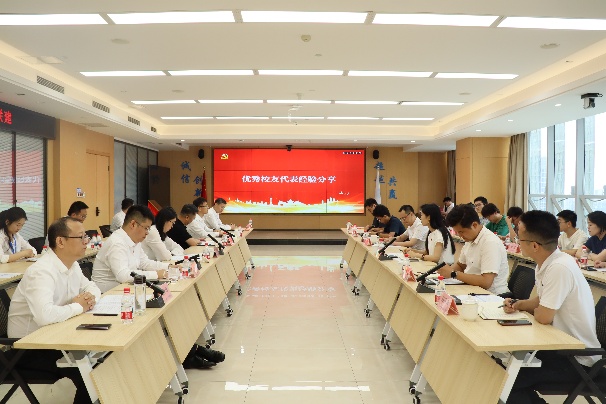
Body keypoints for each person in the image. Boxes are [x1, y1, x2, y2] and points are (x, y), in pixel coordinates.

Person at [502, 210, 600, 404]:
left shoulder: (559, 268)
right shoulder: (547, 262)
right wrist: (517, 304)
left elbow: (544, 317)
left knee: (506, 380)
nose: (517, 241)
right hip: (558, 346)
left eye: (520, 238)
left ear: (535, 246)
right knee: (502, 368)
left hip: (577, 359)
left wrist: (538, 310)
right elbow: (540, 302)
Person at [8, 217, 101, 404]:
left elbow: (93, 288)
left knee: (103, 359)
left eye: (86, 237)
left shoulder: (72, 264)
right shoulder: (41, 271)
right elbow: (45, 316)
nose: (86, 242)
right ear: (60, 241)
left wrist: (89, 298)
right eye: (81, 237)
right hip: (29, 348)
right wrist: (79, 306)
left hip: (58, 336)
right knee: (92, 373)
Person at [92, 205, 170, 293]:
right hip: (107, 294)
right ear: (133, 224)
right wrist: (156, 274)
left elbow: (144, 263)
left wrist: (168, 267)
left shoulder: (135, 240)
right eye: (146, 228)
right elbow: (122, 275)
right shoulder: (117, 243)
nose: (147, 233)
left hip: (125, 290)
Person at [437, 204, 509, 295]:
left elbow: (486, 282)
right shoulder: (470, 239)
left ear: (474, 225)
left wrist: (453, 274)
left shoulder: (490, 242)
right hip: (472, 289)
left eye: (461, 232)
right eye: (457, 232)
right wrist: (445, 272)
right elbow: (460, 265)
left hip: (490, 295)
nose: (460, 235)